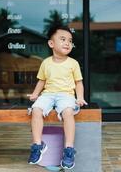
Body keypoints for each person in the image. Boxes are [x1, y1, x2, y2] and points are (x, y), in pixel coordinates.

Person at [28, 25, 87, 169]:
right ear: (51, 44)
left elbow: (78, 83)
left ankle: (69, 149)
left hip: (66, 95)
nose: (67, 43)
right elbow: (42, 81)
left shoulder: (73, 63)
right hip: (48, 95)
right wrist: (36, 94)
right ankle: (37, 145)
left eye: (70, 40)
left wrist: (79, 97)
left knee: (68, 112)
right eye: (63, 39)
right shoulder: (45, 63)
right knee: (36, 110)